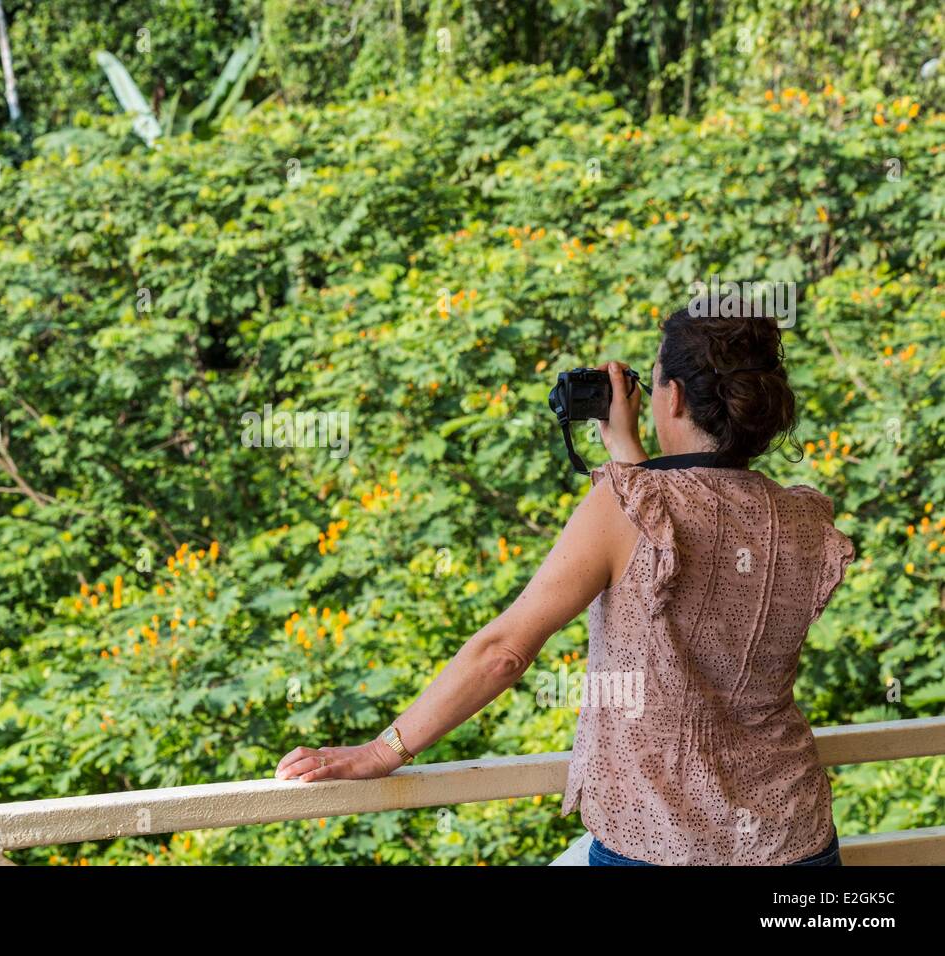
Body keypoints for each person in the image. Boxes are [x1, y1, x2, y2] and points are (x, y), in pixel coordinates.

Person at [274, 309, 855, 866]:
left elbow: (505, 653)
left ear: (672, 396)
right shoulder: (803, 521)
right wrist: (627, 457)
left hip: (660, 847)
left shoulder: (625, 508)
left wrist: (381, 752)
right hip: (793, 841)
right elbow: (685, 558)